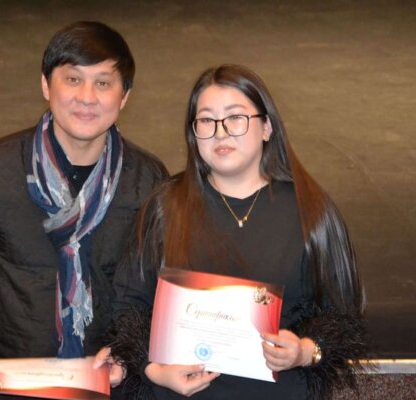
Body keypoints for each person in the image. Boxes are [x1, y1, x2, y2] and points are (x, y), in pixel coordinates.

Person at [99, 64, 368, 399]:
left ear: (267, 127)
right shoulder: (165, 207)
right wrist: (154, 370)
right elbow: (129, 305)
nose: (221, 132)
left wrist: (305, 350)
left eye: (235, 118)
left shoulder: (310, 210)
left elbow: (344, 316)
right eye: (206, 120)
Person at [0, 21, 168, 397]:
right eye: (73, 80)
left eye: (103, 83)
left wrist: (128, 349)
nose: (87, 97)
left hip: (110, 381)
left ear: (124, 96)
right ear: (46, 85)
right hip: (9, 378)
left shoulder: (148, 178)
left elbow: (155, 283)